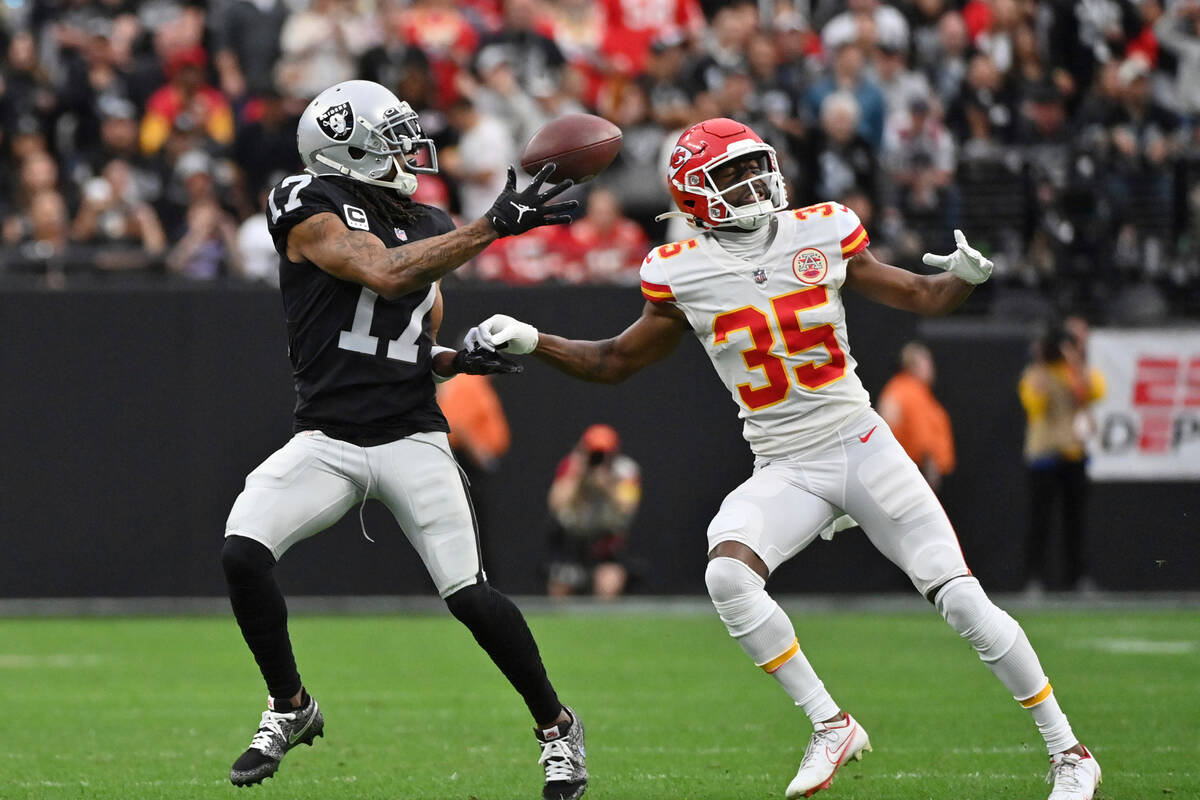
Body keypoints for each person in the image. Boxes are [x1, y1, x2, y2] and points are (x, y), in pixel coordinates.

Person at [466, 118, 1101, 800]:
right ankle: (831, 722)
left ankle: (1070, 752)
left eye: (753, 166)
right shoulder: (681, 270)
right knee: (728, 576)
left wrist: (963, 281)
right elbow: (614, 360)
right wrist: (535, 339)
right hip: (786, 463)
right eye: (731, 175)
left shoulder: (822, 229)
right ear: (695, 195)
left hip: (861, 443)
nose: (752, 182)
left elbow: (918, 293)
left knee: (962, 599)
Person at [220, 80, 588, 800]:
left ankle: (558, 728)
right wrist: (492, 227)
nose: (408, 150)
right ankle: (290, 706)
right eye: (388, 138)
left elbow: (413, 333)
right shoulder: (304, 198)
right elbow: (381, 274)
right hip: (327, 437)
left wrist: (458, 360)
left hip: (411, 434)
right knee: (242, 551)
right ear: (346, 152)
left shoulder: (427, 217)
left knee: (470, 596)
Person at [1018, 322, 1106, 594]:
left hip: (1072, 453)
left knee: (1074, 521)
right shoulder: (1034, 374)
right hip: (1043, 454)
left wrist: (1075, 361)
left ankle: (1076, 578)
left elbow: (1096, 392)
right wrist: (1042, 361)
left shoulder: (1072, 372)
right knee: (1040, 521)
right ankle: (1034, 579)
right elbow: (1036, 403)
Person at [545, 424, 641, 598]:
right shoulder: (572, 466)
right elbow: (555, 503)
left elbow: (628, 507)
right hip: (573, 541)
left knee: (609, 583)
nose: (599, 459)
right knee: (560, 587)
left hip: (606, 543)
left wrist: (607, 484)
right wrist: (577, 476)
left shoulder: (626, 471)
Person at [878, 341, 956, 492]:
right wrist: (929, 466)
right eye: (927, 362)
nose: (932, 368)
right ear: (913, 366)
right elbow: (921, 436)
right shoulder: (912, 393)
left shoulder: (896, 387)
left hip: (897, 470)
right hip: (914, 471)